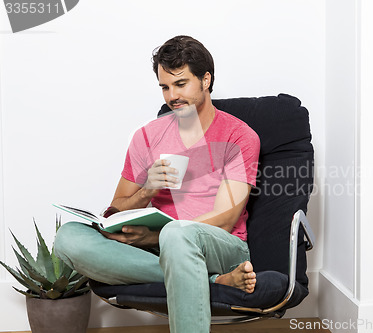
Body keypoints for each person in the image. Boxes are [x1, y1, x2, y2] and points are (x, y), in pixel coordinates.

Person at [54, 35, 261, 333]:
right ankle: (210, 281)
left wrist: (154, 237)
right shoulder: (146, 137)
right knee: (69, 237)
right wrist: (148, 189)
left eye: (181, 84)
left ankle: (197, 269)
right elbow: (115, 210)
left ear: (206, 80)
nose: (172, 96)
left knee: (178, 233)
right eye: (165, 87)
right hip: (162, 248)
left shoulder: (239, 136)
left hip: (223, 247)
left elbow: (226, 219)